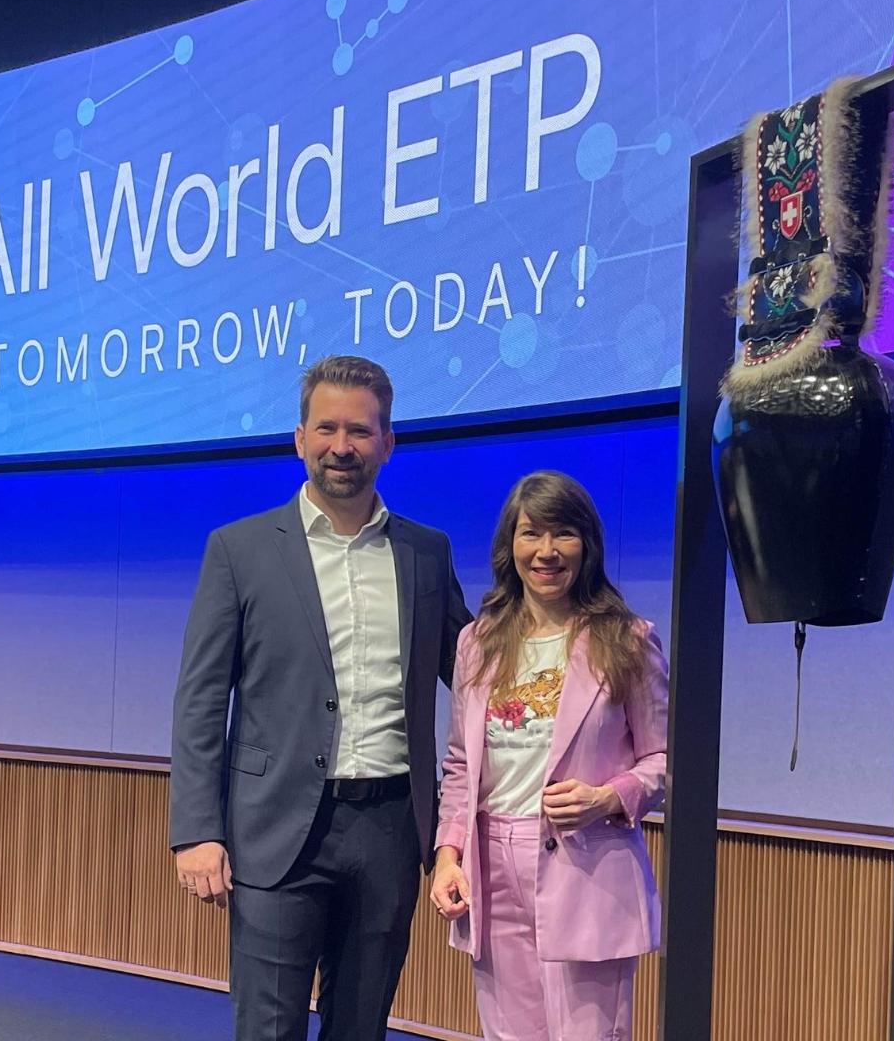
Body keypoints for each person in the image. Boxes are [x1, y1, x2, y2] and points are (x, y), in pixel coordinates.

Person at [169, 355, 473, 1041]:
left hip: (391, 830)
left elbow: (475, 673)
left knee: (360, 1028)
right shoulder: (239, 550)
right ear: (300, 438)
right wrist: (197, 831)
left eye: (360, 431)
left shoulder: (427, 553)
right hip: (275, 829)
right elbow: (200, 700)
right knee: (269, 1028)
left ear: (387, 443)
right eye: (328, 429)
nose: (343, 446)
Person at [429, 470, 669, 1041]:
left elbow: (664, 760)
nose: (547, 551)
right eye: (531, 533)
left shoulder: (628, 639)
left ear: (586, 544)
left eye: (563, 533)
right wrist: (447, 855)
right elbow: (461, 764)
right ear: (509, 545)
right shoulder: (477, 642)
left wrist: (607, 797)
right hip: (491, 866)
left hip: (587, 868)